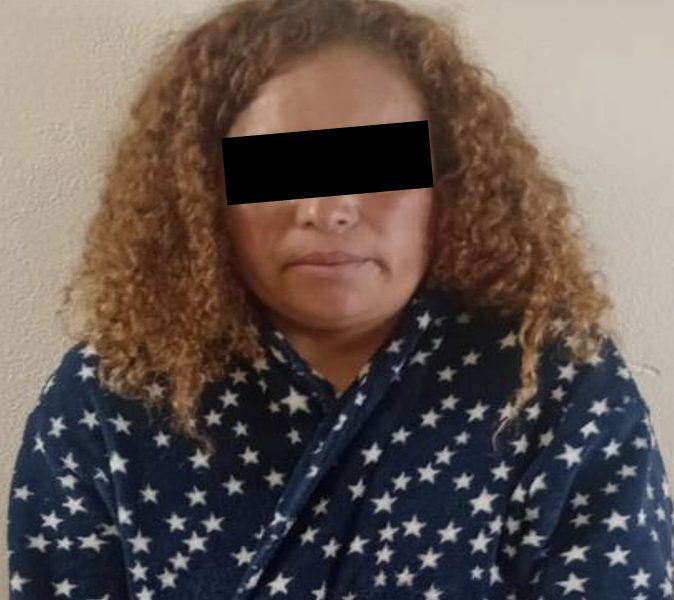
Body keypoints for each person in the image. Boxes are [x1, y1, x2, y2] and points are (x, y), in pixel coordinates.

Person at [7, 0, 673, 598]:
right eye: (277, 167)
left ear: (451, 180)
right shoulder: (108, 397)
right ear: (205, 194)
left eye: (376, 163)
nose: (329, 208)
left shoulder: (557, 385)